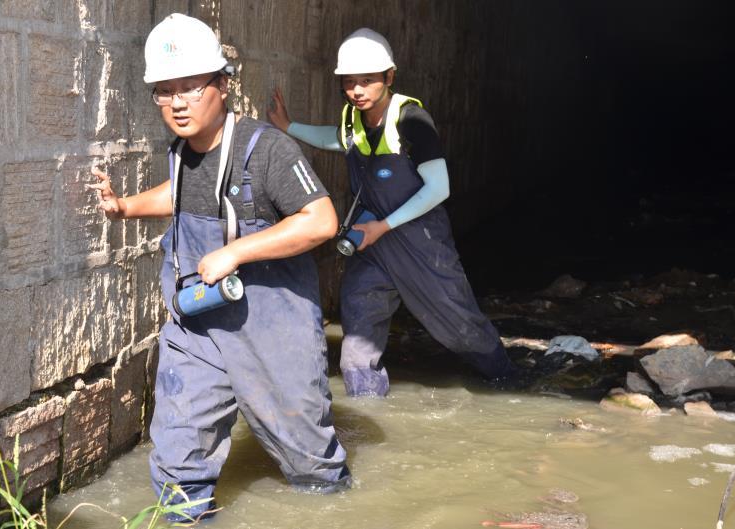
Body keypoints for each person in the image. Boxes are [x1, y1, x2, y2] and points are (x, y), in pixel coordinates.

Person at [87, 13, 350, 523]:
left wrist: (236, 252)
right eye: (166, 92)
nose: (178, 103)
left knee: (310, 465)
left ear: (222, 86)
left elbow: (321, 221)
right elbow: (181, 193)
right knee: (177, 454)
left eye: (190, 87)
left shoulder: (266, 148)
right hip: (199, 325)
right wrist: (125, 207)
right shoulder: (182, 152)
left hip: (272, 331)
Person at [267, 28, 516, 398]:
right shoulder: (354, 118)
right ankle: (368, 411)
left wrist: (384, 226)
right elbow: (338, 139)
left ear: (389, 77)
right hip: (372, 242)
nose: (358, 90)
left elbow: (439, 188)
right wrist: (290, 127)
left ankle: (507, 378)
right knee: (358, 338)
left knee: (459, 326)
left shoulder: (411, 119)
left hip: (420, 241)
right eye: (350, 82)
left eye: (367, 81)